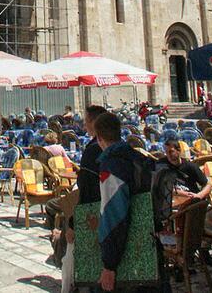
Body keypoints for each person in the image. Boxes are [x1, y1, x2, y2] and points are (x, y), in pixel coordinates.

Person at [93, 111, 153, 292]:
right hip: (146, 241)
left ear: (99, 137)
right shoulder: (137, 157)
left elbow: (113, 214)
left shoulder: (111, 165)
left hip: (126, 249)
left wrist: (109, 265)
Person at [45, 104, 107, 266]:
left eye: (86, 121)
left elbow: (86, 191)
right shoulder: (114, 146)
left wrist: (73, 223)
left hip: (93, 212)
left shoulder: (93, 150)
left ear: (94, 123)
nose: (83, 125)